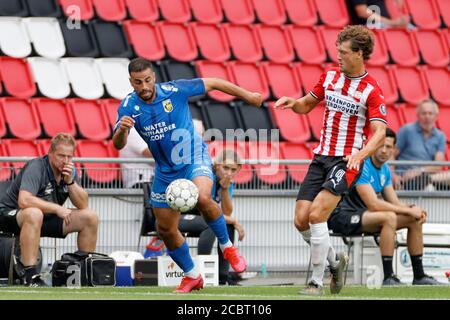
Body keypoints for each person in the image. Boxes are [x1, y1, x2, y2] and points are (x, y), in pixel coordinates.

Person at [113, 57, 262, 293]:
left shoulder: (175, 90)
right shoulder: (128, 107)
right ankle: (192, 275)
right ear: (131, 82)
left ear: (154, 77)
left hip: (193, 156)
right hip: (164, 171)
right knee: (165, 229)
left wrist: (249, 96)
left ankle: (228, 247)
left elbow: (213, 82)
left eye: (148, 80)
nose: (144, 86)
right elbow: (118, 144)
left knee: (203, 198)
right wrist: (122, 129)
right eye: (138, 82)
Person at [274, 25, 387, 295]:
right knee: (301, 220)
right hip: (321, 157)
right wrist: (293, 102)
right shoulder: (329, 78)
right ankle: (336, 262)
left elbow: (380, 133)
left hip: (346, 162)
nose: (338, 56)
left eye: (344, 52)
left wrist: (360, 154)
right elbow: (306, 105)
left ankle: (315, 282)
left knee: (316, 215)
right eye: (338, 51)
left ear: (359, 54)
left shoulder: (371, 90)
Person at [328, 128, 442, 285]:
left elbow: (394, 203)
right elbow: (373, 204)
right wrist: (407, 210)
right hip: (343, 216)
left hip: (366, 216)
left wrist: (412, 210)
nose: (383, 150)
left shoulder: (385, 170)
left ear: (394, 150)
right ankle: (389, 277)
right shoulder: (362, 165)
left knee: (414, 219)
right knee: (388, 217)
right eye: (380, 145)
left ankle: (419, 276)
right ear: (373, 146)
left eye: (388, 147)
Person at [0, 133, 99, 286]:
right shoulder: (37, 166)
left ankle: (85, 272)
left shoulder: (69, 171)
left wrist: (71, 182)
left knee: (90, 217)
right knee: (34, 213)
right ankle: (31, 276)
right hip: (11, 215)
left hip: (44, 217)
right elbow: (24, 200)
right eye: (61, 156)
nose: (65, 161)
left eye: (69, 156)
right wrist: (57, 208)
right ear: (50, 153)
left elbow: (83, 204)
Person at [195, 149, 245, 285]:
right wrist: (235, 221)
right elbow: (204, 211)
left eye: (233, 170)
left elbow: (226, 212)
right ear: (217, 165)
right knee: (212, 224)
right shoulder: (206, 176)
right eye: (225, 168)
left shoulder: (227, 182)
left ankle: (223, 277)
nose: (229, 173)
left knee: (226, 224)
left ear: (239, 169)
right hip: (187, 215)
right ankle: (201, 273)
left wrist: (224, 189)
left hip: (206, 216)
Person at [393, 99, 447, 190]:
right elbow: (391, 154)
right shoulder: (406, 130)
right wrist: (393, 176)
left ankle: (428, 179)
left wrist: (419, 171)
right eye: (424, 113)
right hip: (407, 179)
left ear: (436, 116)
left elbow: (438, 165)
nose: (427, 116)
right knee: (429, 188)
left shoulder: (440, 136)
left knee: (432, 184)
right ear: (417, 115)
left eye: (430, 113)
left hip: (427, 177)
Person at [346, 0, 410, 28]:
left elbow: (399, 5)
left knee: (411, 28)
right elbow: (362, 12)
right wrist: (391, 22)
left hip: (384, 24)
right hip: (368, 25)